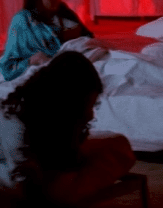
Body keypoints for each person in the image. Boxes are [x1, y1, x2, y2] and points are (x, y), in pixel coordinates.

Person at [0, 51, 135, 207]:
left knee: (117, 143)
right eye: (88, 106)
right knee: (117, 150)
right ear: (69, 105)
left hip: (40, 169)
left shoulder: (40, 115)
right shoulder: (19, 131)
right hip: (34, 186)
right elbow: (29, 185)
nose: (91, 115)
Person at [1, 0, 93, 82]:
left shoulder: (63, 11)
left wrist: (78, 39)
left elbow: (88, 37)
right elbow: (7, 68)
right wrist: (32, 60)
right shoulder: (22, 22)